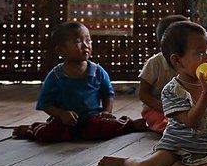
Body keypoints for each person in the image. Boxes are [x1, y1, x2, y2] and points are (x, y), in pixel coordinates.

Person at [96, 21, 207, 166]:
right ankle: (126, 162)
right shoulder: (172, 90)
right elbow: (191, 121)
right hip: (176, 149)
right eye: (200, 53)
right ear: (177, 60)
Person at [13, 22, 146, 142]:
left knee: (103, 128)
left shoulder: (97, 71)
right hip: (64, 121)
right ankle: (31, 129)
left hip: (92, 119)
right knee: (49, 133)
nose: (86, 45)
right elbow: (46, 104)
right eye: (78, 41)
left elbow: (108, 94)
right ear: (61, 50)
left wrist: (106, 111)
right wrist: (61, 114)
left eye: (88, 40)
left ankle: (129, 124)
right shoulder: (55, 76)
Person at [138, 14, 189, 133]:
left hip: (182, 109)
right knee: (166, 124)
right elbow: (143, 94)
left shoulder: (189, 62)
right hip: (156, 109)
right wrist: (164, 108)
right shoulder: (154, 63)